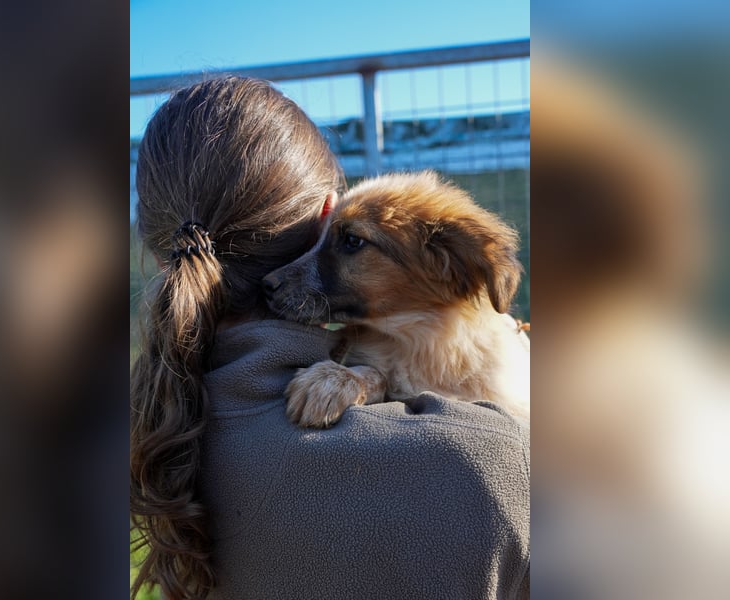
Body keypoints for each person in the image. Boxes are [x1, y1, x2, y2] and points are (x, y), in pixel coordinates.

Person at [130, 76, 530, 600]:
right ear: (324, 214)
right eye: (341, 237)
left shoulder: (166, 430)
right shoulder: (500, 460)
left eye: (351, 243)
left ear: (162, 258)